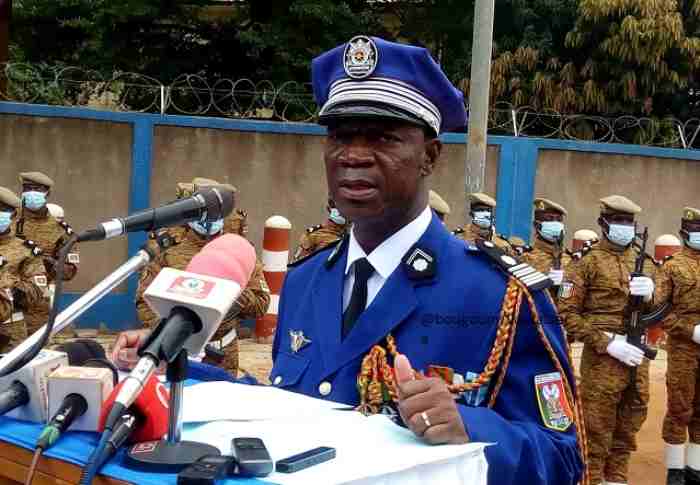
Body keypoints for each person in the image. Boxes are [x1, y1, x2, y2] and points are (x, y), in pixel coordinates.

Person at [111, 36, 583, 484]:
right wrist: (168, 362)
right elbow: (291, 406)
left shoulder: (498, 294)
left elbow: (564, 458)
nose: (354, 156)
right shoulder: (307, 279)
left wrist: (472, 428)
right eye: (340, 136)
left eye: (382, 138)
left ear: (430, 156)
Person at [558, 195, 658, 485]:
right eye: (618, 221)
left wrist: (651, 295)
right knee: (596, 431)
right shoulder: (584, 264)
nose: (624, 227)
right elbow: (566, 314)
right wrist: (608, 343)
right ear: (603, 223)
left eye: (629, 222)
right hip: (603, 361)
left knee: (628, 427)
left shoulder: (646, 263)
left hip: (637, 357)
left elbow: (661, 307)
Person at [134, 179, 270, 375]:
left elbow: (261, 304)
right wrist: (171, 333)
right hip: (176, 353)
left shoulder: (239, 250)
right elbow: (144, 302)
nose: (210, 220)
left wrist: (232, 292)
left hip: (225, 355)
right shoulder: (168, 247)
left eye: (217, 213)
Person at [655, 208, 700, 485]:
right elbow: (658, 310)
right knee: (679, 407)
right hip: (684, 347)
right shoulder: (672, 266)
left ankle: (695, 467)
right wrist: (690, 330)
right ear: (684, 231)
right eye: (696, 228)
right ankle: (675, 470)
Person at [16, 172, 79, 335]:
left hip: (37, 313)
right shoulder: (8, 220)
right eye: (27, 188)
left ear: (47, 193)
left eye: (36, 189)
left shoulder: (60, 230)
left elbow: (69, 271)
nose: (31, 192)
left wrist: (48, 262)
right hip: (5, 306)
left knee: (36, 357)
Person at [0, 187, 50, 351]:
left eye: (2, 210)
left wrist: (8, 290)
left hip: (9, 334)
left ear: (13, 215)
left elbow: (37, 288)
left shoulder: (26, 250)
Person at [521, 198, 571, 301]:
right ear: (536, 225)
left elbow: (568, 297)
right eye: (549, 219)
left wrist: (562, 283)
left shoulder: (570, 260)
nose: (555, 223)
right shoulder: (525, 259)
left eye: (559, 220)